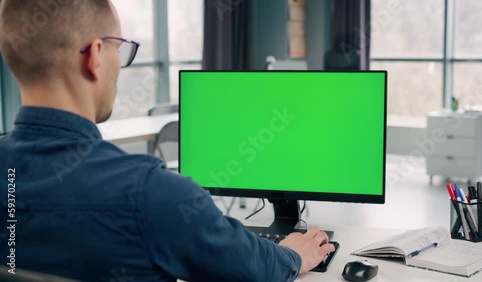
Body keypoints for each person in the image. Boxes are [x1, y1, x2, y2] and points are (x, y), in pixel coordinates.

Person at [0, 0, 334, 281]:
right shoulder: (150, 192)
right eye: (122, 50)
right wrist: (291, 254)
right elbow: (250, 265)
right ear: (96, 56)